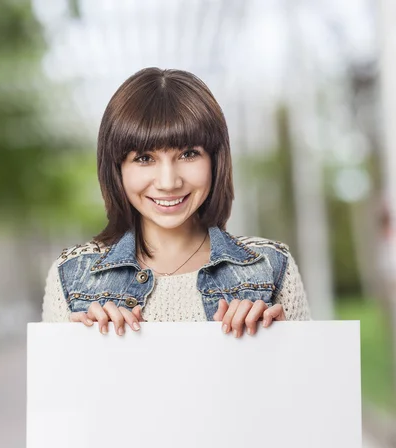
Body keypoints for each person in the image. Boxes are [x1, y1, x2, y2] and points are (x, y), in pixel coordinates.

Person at [41, 67, 311, 336]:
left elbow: (308, 377)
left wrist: (278, 341)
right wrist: (78, 349)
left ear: (216, 160)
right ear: (117, 168)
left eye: (189, 154)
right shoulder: (72, 275)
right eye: (144, 158)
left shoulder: (270, 266)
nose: (168, 182)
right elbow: (57, 380)